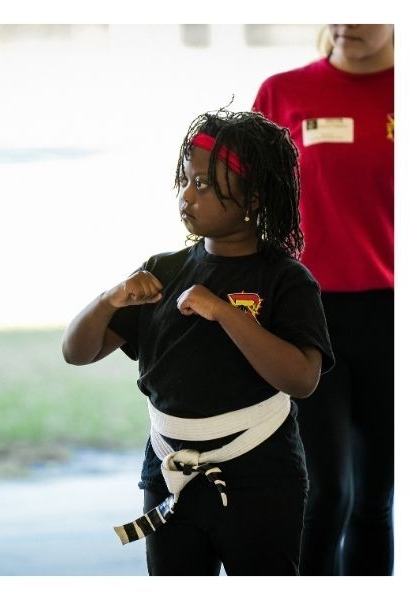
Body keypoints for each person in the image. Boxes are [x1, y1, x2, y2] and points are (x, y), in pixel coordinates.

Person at [62, 109, 334, 576]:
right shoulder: (163, 271)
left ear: (253, 196)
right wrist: (111, 298)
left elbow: (302, 379)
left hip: (261, 477)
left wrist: (225, 312)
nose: (187, 195)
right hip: (170, 473)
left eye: (204, 184)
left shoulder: (284, 278)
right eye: (185, 181)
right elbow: (77, 352)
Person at [252, 24, 394, 575]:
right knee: (325, 495)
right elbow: (240, 199)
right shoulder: (282, 93)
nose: (347, 23)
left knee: (373, 503)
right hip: (306, 314)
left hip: (392, 317)